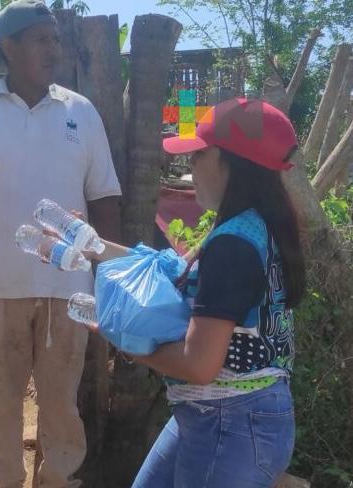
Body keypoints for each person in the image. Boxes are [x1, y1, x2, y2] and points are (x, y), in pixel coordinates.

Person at [0, 1, 123, 486]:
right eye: (42, 39)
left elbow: (105, 199)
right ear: (10, 45)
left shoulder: (80, 113)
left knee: (62, 403)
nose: (53, 49)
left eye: (57, 39)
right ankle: (5, 481)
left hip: (69, 290)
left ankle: (57, 480)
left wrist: (109, 279)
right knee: (2, 402)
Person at [88, 98, 305, 487]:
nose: (190, 168)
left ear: (227, 160)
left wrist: (124, 340)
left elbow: (199, 364)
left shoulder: (232, 244)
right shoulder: (251, 226)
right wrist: (89, 244)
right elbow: (170, 269)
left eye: (197, 155)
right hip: (225, 414)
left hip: (230, 424)